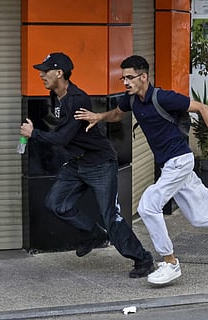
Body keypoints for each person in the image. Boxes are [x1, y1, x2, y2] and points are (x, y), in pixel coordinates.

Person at [74, 55, 208, 285]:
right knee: (202, 215)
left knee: (147, 206)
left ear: (143, 77)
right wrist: (99, 116)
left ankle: (170, 262)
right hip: (170, 166)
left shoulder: (164, 97)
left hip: (180, 161)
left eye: (130, 77)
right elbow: (117, 113)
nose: (125, 82)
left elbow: (203, 108)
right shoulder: (132, 100)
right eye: (122, 77)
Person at [20, 52, 154, 279]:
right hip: (77, 163)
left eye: (45, 70)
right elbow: (63, 132)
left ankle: (142, 259)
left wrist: (34, 134)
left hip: (100, 163)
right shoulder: (55, 96)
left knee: (110, 216)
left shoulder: (77, 99)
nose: (41, 74)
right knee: (56, 203)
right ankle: (93, 234)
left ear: (59, 73)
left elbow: (62, 137)